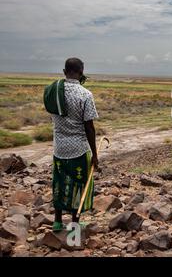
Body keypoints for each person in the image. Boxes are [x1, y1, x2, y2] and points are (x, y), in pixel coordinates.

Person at [47, 58, 99, 231]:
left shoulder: (52, 92)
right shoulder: (85, 94)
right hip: (79, 149)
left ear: (64, 71)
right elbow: (89, 127)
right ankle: (75, 224)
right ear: (82, 71)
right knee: (78, 184)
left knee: (59, 182)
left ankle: (57, 221)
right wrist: (95, 155)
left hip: (59, 148)